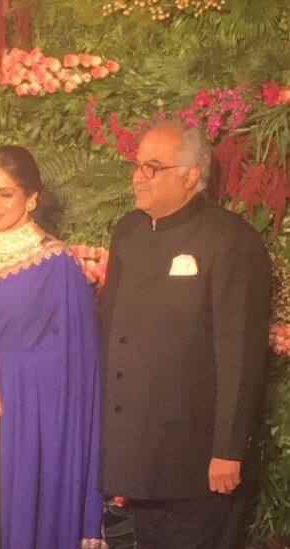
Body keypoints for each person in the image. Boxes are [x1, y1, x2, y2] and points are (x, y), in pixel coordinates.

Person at [100, 122, 271, 549]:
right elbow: (109, 334)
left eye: (152, 167)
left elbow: (240, 353)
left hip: (199, 459)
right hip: (139, 453)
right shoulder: (128, 231)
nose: (138, 177)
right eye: (137, 165)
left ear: (191, 175)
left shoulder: (230, 239)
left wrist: (228, 450)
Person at [0, 145, 106, 549]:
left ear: (31, 197)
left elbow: (77, 356)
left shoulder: (57, 263)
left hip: (26, 418)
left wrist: (3, 364)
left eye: (6, 194)